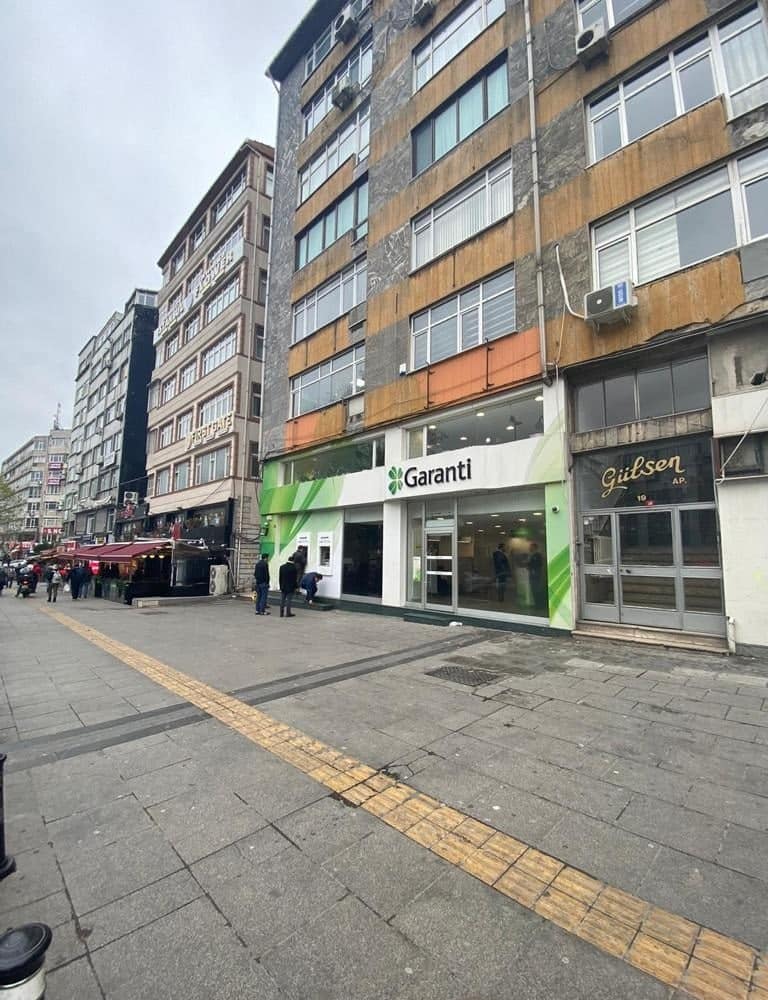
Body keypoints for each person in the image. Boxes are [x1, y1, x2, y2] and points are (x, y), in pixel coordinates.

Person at [528, 542, 544, 608]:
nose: (529, 548)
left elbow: (538, 564)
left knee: (536, 589)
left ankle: (538, 605)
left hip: (535, 575)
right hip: (533, 574)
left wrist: (532, 568)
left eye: (531, 547)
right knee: (534, 589)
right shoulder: (532, 555)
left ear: (534, 548)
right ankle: (537, 604)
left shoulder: (537, 555)